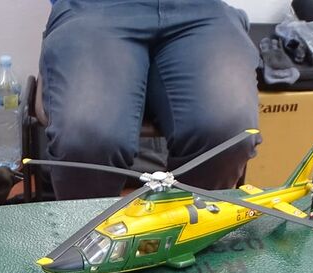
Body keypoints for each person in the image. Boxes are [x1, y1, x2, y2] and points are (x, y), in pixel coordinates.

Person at [40, 0, 261, 200]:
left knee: (229, 131)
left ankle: (192, 224)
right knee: (87, 136)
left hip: (200, 9)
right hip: (94, 9)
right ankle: (89, 230)